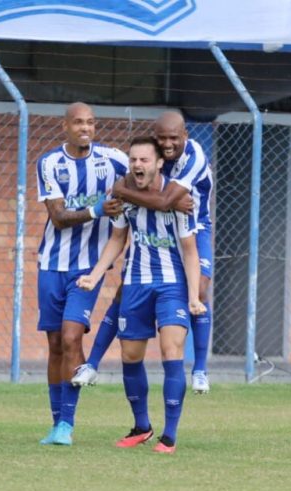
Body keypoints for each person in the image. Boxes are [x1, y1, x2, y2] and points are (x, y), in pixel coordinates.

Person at [77, 136, 206, 454]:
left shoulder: (179, 200)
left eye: (144, 159)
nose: (137, 165)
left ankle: (169, 436)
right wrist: (95, 274)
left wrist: (193, 296)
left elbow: (190, 251)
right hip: (135, 283)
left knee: (171, 350)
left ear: (159, 163)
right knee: (131, 356)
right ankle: (142, 426)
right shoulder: (125, 197)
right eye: (133, 159)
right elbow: (117, 239)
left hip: (171, 285)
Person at [35, 102, 128, 446]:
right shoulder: (49, 163)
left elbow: (144, 173)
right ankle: (56, 423)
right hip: (51, 264)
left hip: (89, 268)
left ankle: (67, 425)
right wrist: (98, 209)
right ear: (66, 126)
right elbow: (59, 218)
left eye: (90, 122)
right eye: (78, 123)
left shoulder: (113, 159)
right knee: (55, 344)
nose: (85, 128)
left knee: (72, 337)